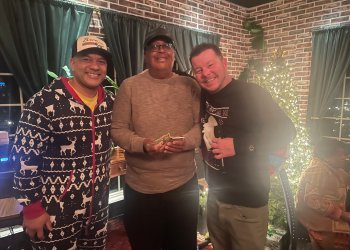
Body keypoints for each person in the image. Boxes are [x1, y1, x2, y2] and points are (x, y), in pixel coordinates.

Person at [11, 35, 115, 249]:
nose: (94, 66)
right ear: (73, 62)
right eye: (86, 59)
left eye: (101, 61)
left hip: (98, 211)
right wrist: (31, 208)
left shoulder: (111, 103)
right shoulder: (44, 101)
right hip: (53, 214)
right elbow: (23, 157)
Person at [190, 43, 296, 250]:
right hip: (215, 197)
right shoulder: (203, 95)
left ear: (224, 62)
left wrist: (240, 145)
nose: (206, 73)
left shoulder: (252, 94)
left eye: (210, 64)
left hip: (247, 203)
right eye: (199, 70)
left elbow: (287, 131)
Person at [111, 27, 201, 250]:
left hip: (184, 186)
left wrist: (186, 142)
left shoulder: (189, 85)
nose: (161, 50)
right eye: (154, 46)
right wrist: (143, 145)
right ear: (145, 54)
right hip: (142, 191)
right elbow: (118, 130)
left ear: (173, 53)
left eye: (166, 46)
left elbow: (201, 125)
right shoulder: (129, 86)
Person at [296, 139, 350, 250]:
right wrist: (343, 215)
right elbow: (313, 201)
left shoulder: (333, 169)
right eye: (342, 154)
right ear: (328, 155)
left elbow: (346, 179)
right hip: (316, 220)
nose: (345, 157)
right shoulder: (317, 170)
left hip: (325, 217)